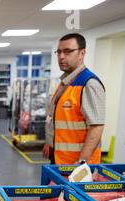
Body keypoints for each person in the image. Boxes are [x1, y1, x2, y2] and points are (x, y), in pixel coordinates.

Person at [43, 33, 105, 165]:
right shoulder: (66, 82)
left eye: (67, 51)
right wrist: (49, 143)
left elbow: (96, 126)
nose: (61, 57)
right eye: (59, 52)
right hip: (60, 159)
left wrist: (82, 163)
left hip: (75, 164)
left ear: (82, 53)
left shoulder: (89, 83)